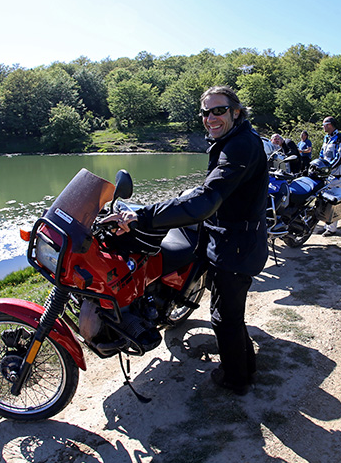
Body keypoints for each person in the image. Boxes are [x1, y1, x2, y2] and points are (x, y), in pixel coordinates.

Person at [107, 86, 268, 395]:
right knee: (231, 314)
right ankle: (247, 365)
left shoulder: (240, 146)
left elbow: (207, 199)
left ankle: (236, 379)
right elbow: (214, 188)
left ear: (236, 111)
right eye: (205, 112)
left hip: (236, 245)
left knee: (225, 318)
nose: (210, 118)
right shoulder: (235, 140)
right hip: (232, 237)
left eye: (218, 110)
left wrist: (141, 215)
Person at [318, 116, 341, 236]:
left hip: (336, 174)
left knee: (332, 201)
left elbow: (340, 158)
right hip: (325, 174)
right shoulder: (326, 138)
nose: (323, 127)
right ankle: (326, 225)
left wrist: (329, 168)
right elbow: (322, 153)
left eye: (325, 125)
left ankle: (332, 229)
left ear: (330, 125)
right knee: (324, 199)